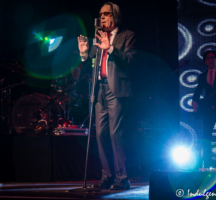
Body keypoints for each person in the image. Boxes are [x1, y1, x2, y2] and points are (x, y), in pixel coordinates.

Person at [77, 2, 136, 190]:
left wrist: (110, 48)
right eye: (100, 15)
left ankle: (123, 178)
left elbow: (129, 60)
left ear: (115, 15)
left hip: (116, 90)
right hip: (99, 90)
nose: (102, 17)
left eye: (106, 14)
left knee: (115, 133)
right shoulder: (97, 38)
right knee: (100, 134)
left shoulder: (128, 36)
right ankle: (107, 176)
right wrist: (84, 54)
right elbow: (90, 66)